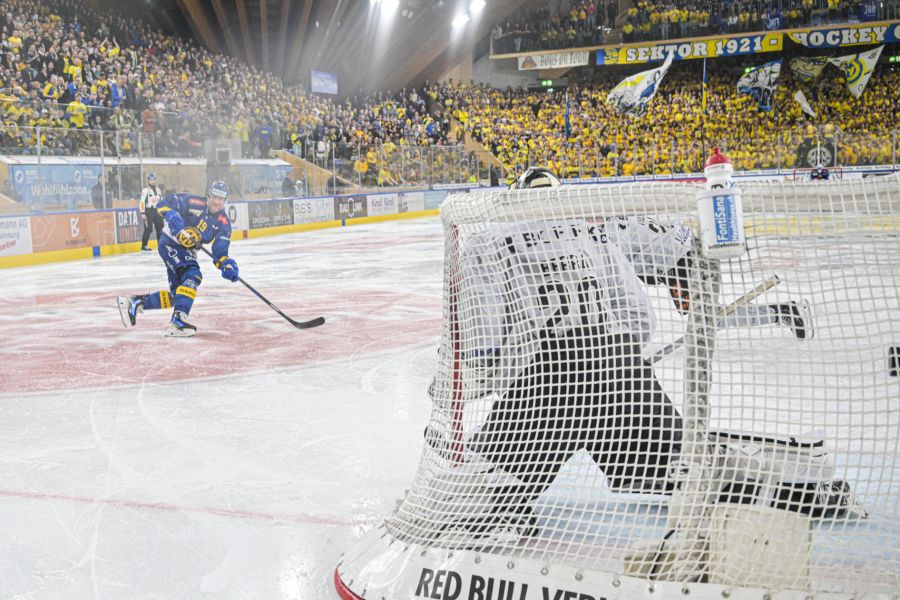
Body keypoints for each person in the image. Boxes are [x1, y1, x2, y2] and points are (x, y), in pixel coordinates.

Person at [426, 167, 846, 547]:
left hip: (543, 384)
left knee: (472, 492)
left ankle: (504, 512)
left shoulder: (487, 240)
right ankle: (802, 488)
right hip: (618, 366)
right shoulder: (591, 229)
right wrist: (620, 359)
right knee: (678, 470)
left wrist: (486, 380)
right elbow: (635, 314)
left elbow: (482, 346)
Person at [117, 181, 239, 337]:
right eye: (214, 196)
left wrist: (227, 265)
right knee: (193, 275)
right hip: (170, 241)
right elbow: (162, 204)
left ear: (226, 200)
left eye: (221, 199)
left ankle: (134, 303)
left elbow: (219, 251)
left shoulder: (223, 222)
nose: (217, 201)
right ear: (209, 195)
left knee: (179, 295)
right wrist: (172, 214)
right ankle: (178, 321)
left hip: (187, 251)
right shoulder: (194, 202)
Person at [139, 173, 164, 251]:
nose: (152, 181)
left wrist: (162, 210)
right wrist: (142, 212)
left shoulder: (158, 190)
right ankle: (144, 245)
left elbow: (161, 200)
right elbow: (142, 202)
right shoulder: (145, 190)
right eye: (151, 180)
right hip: (148, 211)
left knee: (160, 227)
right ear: (148, 181)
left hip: (157, 210)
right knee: (148, 228)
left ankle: (160, 244)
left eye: (153, 180)